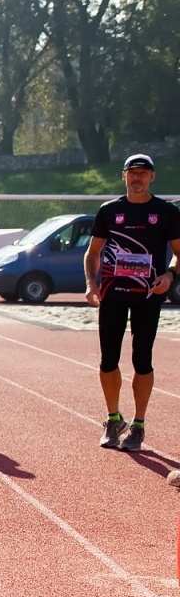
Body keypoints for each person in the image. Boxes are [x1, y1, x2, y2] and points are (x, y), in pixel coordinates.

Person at [84, 154, 180, 451]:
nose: (137, 178)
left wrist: (170, 275)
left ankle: (138, 425)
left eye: (143, 173)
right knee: (108, 359)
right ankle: (113, 419)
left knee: (142, 360)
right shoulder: (109, 211)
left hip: (148, 296)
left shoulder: (166, 212)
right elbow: (93, 252)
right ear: (123, 176)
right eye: (132, 173)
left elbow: (179, 254)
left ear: (152, 177)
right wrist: (91, 284)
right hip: (112, 294)